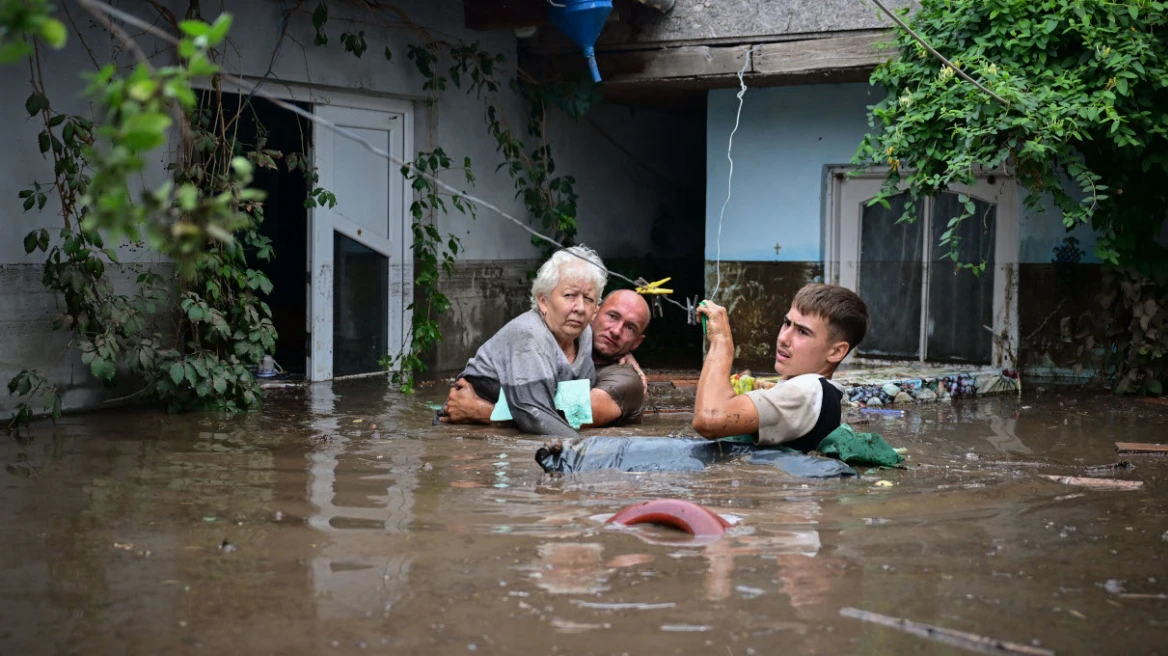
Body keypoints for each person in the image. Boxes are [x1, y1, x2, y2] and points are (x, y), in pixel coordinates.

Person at [444, 246, 607, 437]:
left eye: (588, 299)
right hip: (467, 438)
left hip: (500, 429)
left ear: (596, 309)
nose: (579, 308)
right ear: (543, 301)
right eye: (569, 295)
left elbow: (567, 412)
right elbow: (535, 416)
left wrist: (485, 412)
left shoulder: (585, 335)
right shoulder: (529, 334)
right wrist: (591, 453)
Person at [692, 284, 869, 451]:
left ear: (837, 351)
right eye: (787, 323)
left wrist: (721, 341)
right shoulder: (821, 393)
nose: (784, 338)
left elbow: (710, 419)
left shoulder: (807, 389)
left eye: (802, 332)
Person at [441, 289, 652, 429]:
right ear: (594, 313)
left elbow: (567, 418)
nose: (616, 331)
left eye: (629, 328)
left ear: (636, 342)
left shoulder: (627, 380)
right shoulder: (561, 341)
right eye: (612, 316)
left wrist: (481, 411)